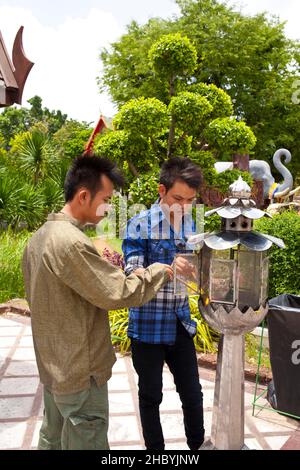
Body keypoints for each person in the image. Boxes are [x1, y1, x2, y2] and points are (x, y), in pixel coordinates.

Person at [22, 155, 175, 451]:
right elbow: (118, 292)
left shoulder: (38, 238)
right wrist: (159, 271)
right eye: (105, 199)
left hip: (54, 371)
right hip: (80, 374)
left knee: (52, 440)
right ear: (83, 196)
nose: (108, 207)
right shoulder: (71, 243)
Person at [122, 157, 205, 451]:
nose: (184, 206)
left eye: (191, 200)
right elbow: (132, 275)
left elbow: (198, 272)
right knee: (150, 397)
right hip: (147, 327)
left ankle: (198, 447)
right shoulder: (139, 224)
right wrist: (168, 266)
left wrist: (199, 272)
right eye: (178, 198)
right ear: (161, 190)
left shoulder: (193, 225)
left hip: (180, 323)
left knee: (193, 395)